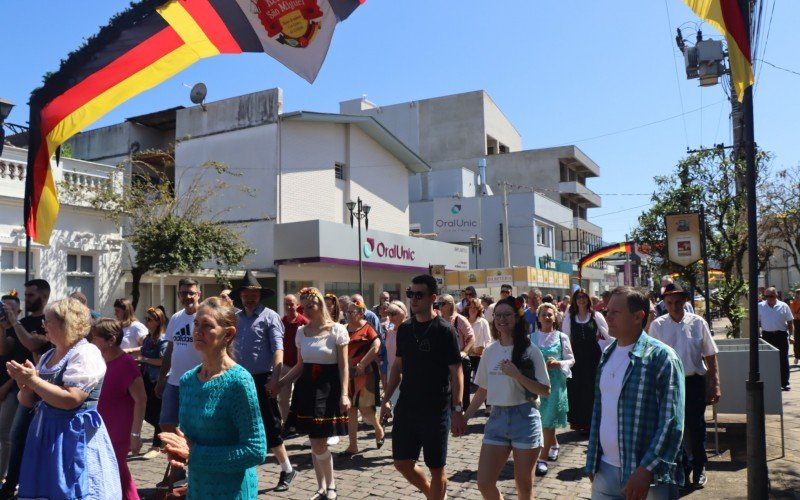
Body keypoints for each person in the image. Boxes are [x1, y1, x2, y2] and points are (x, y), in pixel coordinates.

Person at [8, 298, 121, 499]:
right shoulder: (48, 355)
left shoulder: (86, 352)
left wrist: (34, 381)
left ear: (66, 323)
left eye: (47, 321)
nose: (43, 326)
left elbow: (71, 399)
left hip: (73, 435)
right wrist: (24, 384)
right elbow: (29, 401)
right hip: (45, 434)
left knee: (73, 489)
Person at [159, 297, 267, 499]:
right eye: (196, 324)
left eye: (207, 325)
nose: (198, 330)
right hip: (199, 488)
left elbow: (255, 450)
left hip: (233, 491)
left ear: (228, 334)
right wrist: (179, 450)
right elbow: (193, 440)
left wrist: (195, 454)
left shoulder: (239, 382)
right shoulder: (188, 380)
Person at [585, 286, 685, 499]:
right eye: (607, 311)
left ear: (638, 316)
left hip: (647, 478)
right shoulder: (607, 355)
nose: (607, 317)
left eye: (615, 312)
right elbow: (599, 411)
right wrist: (593, 461)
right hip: (605, 471)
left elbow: (672, 421)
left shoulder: (662, 358)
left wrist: (646, 470)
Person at [381, 275, 465, 500]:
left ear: (432, 298)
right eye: (411, 294)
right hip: (407, 406)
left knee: (436, 468)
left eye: (419, 295)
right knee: (401, 462)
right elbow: (397, 367)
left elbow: (456, 372)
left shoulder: (445, 330)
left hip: (436, 408)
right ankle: (433, 495)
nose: (414, 299)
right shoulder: (405, 329)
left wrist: (457, 410)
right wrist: (385, 399)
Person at [463, 296, 551, 500]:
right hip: (497, 418)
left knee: (524, 487)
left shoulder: (531, 351)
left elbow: (545, 390)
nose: (502, 319)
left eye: (507, 315)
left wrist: (517, 375)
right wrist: (465, 417)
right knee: (484, 482)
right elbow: (483, 389)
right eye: (498, 315)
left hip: (525, 418)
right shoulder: (490, 351)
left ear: (517, 318)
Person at [280, 287, 350, 500]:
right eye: (304, 307)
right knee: (314, 439)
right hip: (306, 389)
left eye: (311, 306)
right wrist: (280, 383)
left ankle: (331, 487)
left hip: (328, 389)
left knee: (319, 441)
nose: (307, 311)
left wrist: (345, 393)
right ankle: (321, 488)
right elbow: (300, 365)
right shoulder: (302, 332)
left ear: (320, 304)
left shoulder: (337, 330)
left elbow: (343, 366)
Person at [648, 283, 720, 489]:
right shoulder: (658, 326)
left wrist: (715, 384)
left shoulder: (697, 323)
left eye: (678, 302)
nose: (674, 306)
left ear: (685, 301)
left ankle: (699, 467)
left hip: (694, 381)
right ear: (664, 303)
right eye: (669, 302)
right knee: (673, 428)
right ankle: (680, 468)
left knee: (696, 426)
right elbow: (652, 358)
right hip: (669, 383)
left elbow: (710, 355)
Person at [232, 271, 296, 492]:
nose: (250, 298)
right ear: (240, 296)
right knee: (242, 425)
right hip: (240, 379)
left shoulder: (270, 317)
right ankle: (244, 471)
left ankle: (287, 468)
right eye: (246, 294)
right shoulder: (236, 318)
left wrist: (276, 379)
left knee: (271, 426)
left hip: (263, 379)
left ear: (260, 296)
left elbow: (279, 349)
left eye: (254, 294)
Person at [0, 279, 50, 499]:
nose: (27, 298)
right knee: (15, 435)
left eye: (30, 295)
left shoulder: (48, 321)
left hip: (42, 389)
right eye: (26, 294)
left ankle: (21, 483)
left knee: (20, 436)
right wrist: (3, 327)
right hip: (23, 389)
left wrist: (14, 322)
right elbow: (6, 350)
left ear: (43, 296)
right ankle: (11, 484)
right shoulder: (24, 321)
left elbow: (32, 344)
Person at [91, 318, 147, 500]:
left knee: (119, 474)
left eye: (95, 338)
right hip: (101, 430)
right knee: (111, 475)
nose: (92, 342)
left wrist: (136, 435)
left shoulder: (127, 364)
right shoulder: (99, 362)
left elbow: (141, 400)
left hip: (119, 433)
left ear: (111, 340)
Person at [155, 278, 203, 435]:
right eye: (184, 293)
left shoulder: (205, 317)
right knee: (166, 423)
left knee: (194, 424)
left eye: (191, 293)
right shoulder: (176, 318)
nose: (188, 296)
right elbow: (169, 351)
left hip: (198, 381)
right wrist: (162, 379)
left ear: (199, 294)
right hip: (174, 381)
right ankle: (184, 450)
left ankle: (190, 453)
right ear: (178, 295)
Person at [532, 302, 574, 476]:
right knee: (543, 419)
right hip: (538, 383)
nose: (547, 317)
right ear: (539, 318)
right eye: (544, 315)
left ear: (555, 317)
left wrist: (559, 363)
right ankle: (554, 444)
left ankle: (542, 459)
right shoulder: (531, 338)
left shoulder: (561, 337)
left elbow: (571, 359)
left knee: (548, 420)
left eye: (550, 314)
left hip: (556, 383)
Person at [563, 288, 611, 433]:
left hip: (593, 357)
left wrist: (611, 352)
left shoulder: (595, 316)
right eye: (579, 297)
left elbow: (607, 335)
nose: (581, 300)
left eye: (584, 297)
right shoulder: (570, 318)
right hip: (577, 357)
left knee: (592, 389)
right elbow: (565, 338)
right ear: (575, 300)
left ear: (588, 300)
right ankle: (580, 422)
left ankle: (593, 422)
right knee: (577, 389)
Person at [340, 299, 385, 456]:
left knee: (365, 409)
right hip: (349, 375)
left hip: (364, 375)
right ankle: (353, 446)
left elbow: (377, 345)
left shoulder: (367, 328)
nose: (348, 315)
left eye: (352, 312)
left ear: (361, 313)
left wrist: (363, 363)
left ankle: (378, 428)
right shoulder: (344, 329)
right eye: (347, 312)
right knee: (350, 410)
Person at [137, 306, 169, 460]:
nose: (146, 322)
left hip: (157, 380)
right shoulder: (149, 338)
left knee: (156, 413)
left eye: (149, 319)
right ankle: (165, 436)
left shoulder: (163, 338)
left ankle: (157, 445)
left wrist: (145, 360)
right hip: (146, 378)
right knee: (147, 412)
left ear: (158, 321)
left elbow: (164, 361)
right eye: (146, 319)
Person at [0, 291, 26, 481]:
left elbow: (21, 363)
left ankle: (3, 474)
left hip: (11, 389)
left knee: (5, 433)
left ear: (19, 310)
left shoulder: (21, 331)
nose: (6, 313)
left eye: (10, 309)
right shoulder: (3, 330)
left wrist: (6, 387)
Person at [439, 294, 476, 409]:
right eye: (439, 303)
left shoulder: (459, 319)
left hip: (459, 361)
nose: (440, 306)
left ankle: (462, 416)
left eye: (443, 303)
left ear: (450, 305)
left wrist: (464, 352)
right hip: (444, 361)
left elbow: (471, 337)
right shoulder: (438, 320)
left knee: (462, 391)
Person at [757, 286, 794, 391]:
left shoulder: (783, 306)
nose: (769, 298)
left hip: (781, 335)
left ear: (776, 295)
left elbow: (790, 322)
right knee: (769, 360)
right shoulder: (760, 306)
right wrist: (758, 335)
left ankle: (784, 382)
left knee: (783, 359)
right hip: (767, 336)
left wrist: (791, 335)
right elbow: (756, 321)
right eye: (767, 296)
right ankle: (771, 381)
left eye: (771, 296)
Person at [281, 294, 308, 423]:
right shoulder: (281, 322)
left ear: (297, 305)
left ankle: (300, 422)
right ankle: (286, 422)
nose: (289, 306)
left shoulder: (304, 322)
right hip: (284, 365)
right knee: (283, 399)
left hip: (300, 366)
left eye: (292, 304)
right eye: (286, 304)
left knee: (301, 397)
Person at [466, 298, 493, 385]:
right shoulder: (464, 321)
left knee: (481, 384)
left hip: (480, 357)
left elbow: (488, 340)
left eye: (475, 308)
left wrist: (484, 352)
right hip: (466, 356)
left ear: (479, 310)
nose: (473, 310)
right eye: (471, 307)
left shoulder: (483, 322)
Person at [791, 288, 800, 364]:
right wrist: (796, 315)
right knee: (797, 340)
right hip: (797, 322)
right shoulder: (793, 303)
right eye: (798, 293)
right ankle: (797, 356)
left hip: (797, 320)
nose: (799, 294)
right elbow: (793, 315)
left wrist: (797, 314)